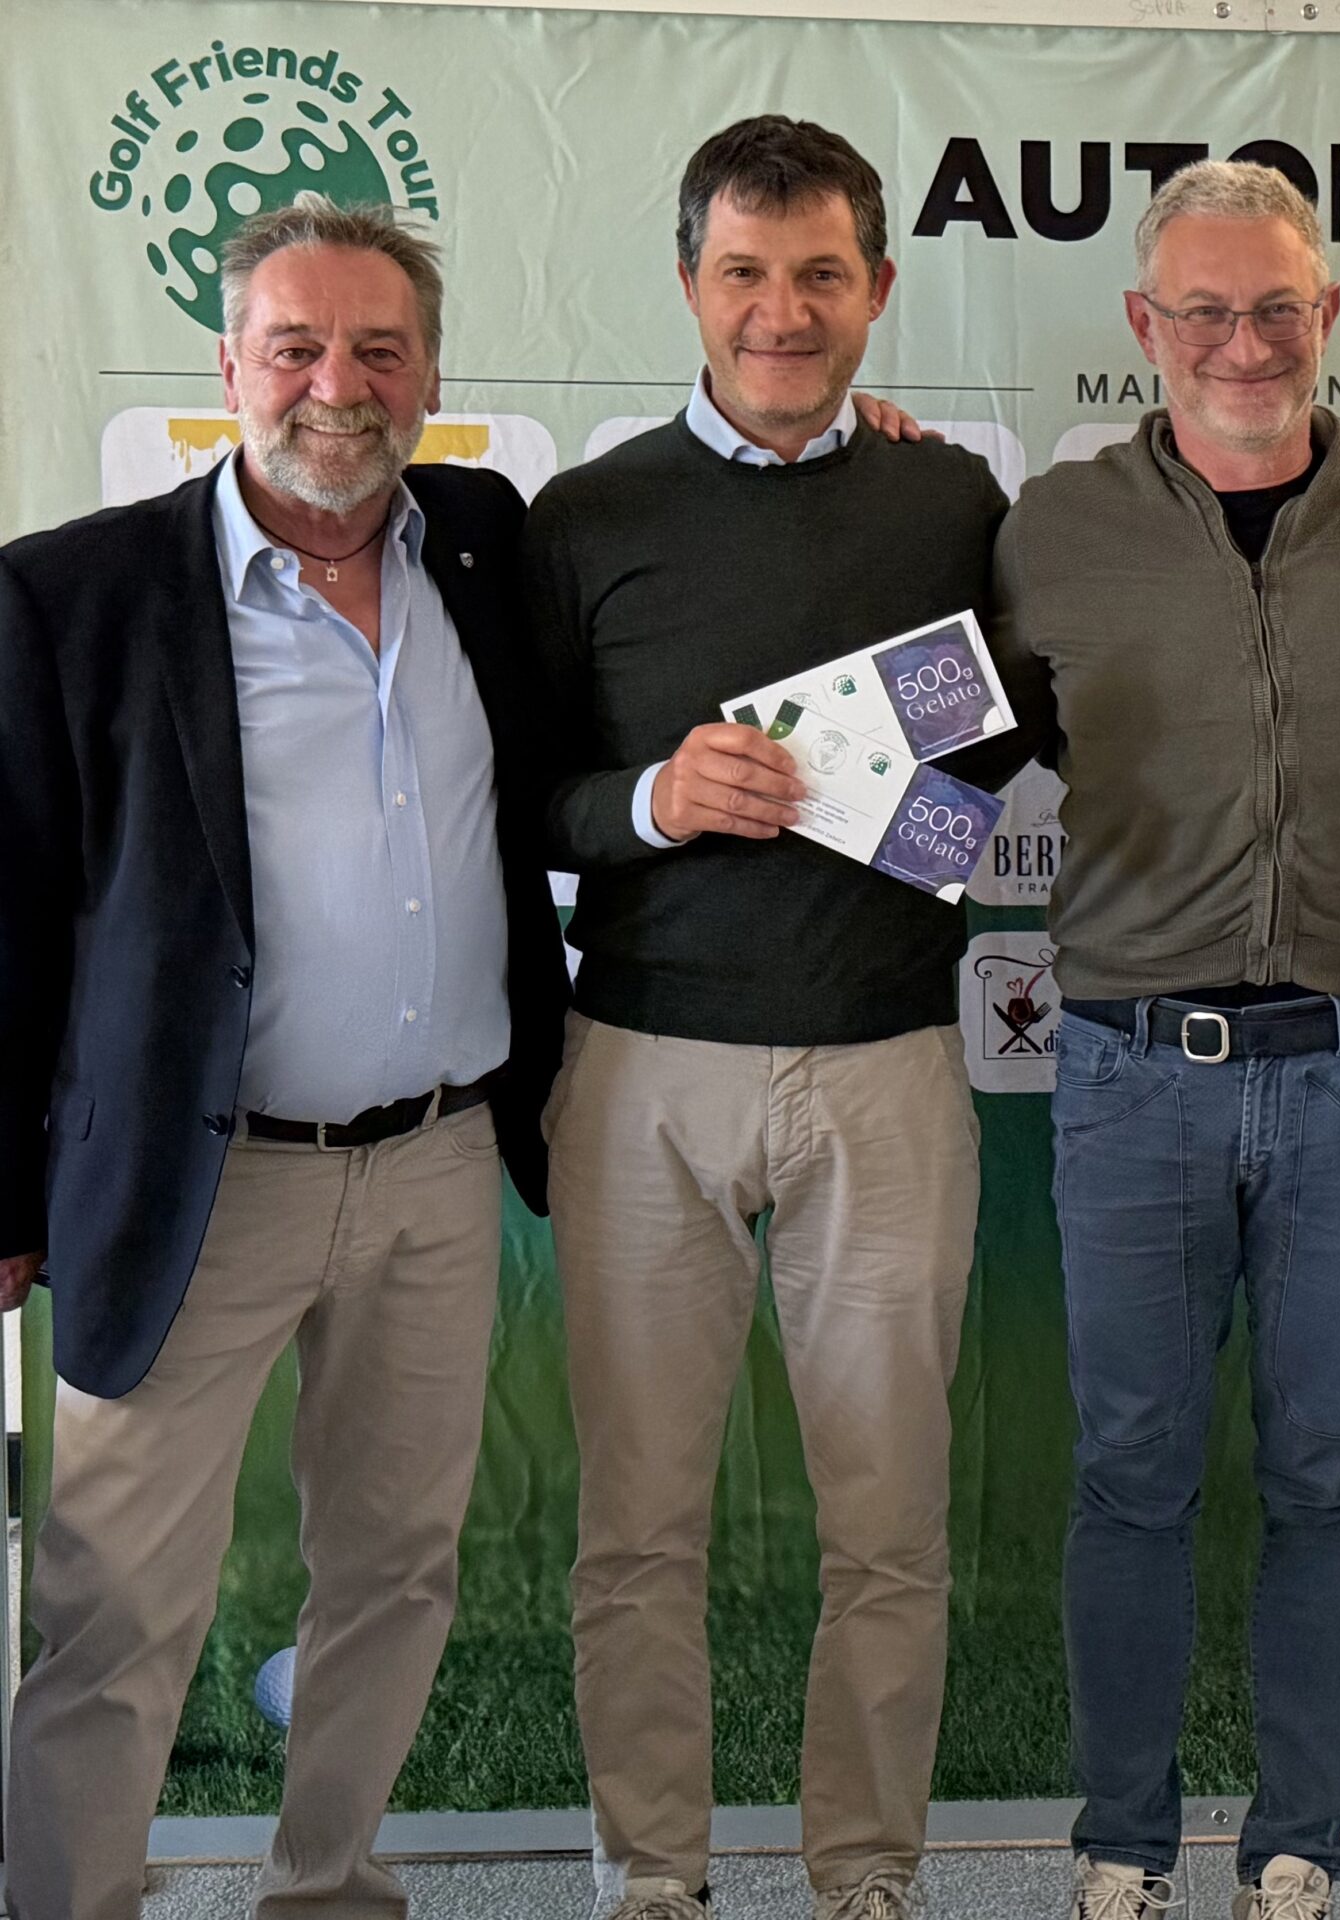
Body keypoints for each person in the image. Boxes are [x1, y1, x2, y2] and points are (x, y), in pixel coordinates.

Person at [0, 193, 568, 1920]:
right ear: (227, 365)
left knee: (393, 1576)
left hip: (437, 1169)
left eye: (380, 350)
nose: (339, 384)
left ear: (432, 376)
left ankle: (331, 1892)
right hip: (192, 1174)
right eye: (297, 346)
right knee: (116, 1603)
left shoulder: (484, 542)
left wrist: (862, 434)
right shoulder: (73, 595)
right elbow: (8, 912)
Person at [523, 115, 1027, 1920]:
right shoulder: (586, 519)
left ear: (877, 289)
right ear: (689, 284)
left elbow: (1004, 745)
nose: (782, 311)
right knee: (637, 1531)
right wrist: (654, 801)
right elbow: (525, 797)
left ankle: (867, 1875)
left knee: (887, 1525)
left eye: (820, 274)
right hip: (643, 1072)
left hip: (886, 1064)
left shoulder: (952, 505)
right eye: (744, 272)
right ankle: (650, 1880)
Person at [991, 159, 1340, 1920]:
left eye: (1278, 307)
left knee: (1326, 1474)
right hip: (1130, 1072)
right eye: (1205, 310)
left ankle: (1297, 1849)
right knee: (1131, 1476)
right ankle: (1124, 1849)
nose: (1245, 343)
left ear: (1327, 312)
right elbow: (951, 749)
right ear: (1146, 323)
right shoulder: (1053, 527)